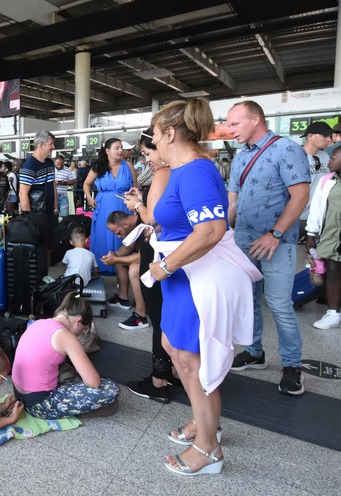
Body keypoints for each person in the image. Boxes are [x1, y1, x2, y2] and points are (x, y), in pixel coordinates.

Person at [148, 99, 261, 476]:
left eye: (154, 135)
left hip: (195, 276)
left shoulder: (195, 170)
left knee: (192, 361)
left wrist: (165, 265)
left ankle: (208, 448)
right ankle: (204, 420)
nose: (152, 143)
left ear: (169, 133)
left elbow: (211, 231)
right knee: (175, 350)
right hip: (183, 277)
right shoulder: (182, 169)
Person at [226, 100, 310, 395]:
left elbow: (300, 196)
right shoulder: (239, 157)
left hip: (277, 244)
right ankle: (254, 352)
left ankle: (292, 366)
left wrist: (275, 233)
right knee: (247, 300)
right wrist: (220, 233)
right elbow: (232, 201)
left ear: (255, 119)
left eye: (235, 123)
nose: (229, 129)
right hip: (243, 242)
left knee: (279, 304)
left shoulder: (285, 149)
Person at [122, 127, 180, 403]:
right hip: (179, 253)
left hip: (158, 254)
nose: (147, 160)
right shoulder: (192, 170)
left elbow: (152, 219)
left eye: (148, 152)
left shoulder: (164, 173)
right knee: (176, 315)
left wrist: (136, 205)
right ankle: (178, 371)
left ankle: (159, 381)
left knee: (158, 316)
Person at [12, 291, 119, 419]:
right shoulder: (66, 336)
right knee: (110, 389)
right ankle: (70, 412)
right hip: (38, 405)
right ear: (78, 321)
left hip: (18, 393)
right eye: (83, 329)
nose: (80, 334)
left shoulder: (39, 322)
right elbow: (94, 382)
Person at [83, 138, 137, 275]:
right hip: (104, 205)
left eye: (121, 148)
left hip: (124, 206)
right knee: (103, 234)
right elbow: (86, 184)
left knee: (124, 234)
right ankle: (102, 266)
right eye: (116, 148)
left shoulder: (128, 165)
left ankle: (123, 266)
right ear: (107, 151)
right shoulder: (98, 167)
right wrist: (89, 197)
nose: (120, 151)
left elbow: (135, 187)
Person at [306, 145, 341, 329]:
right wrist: (311, 234)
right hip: (332, 236)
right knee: (333, 273)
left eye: (334, 156)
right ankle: (333, 314)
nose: (330, 160)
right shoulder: (328, 180)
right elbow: (317, 207)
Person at [102, 211, 149, 329]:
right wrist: (114, 255)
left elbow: (143, 256)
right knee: (119, 259)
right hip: (147, 258)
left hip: (160, 261)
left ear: (125, 224)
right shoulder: (134, 224)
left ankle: (141, 317)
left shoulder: (145, 222)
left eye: (118, 232)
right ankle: (123, 299)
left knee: (133, 269)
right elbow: (129, 247)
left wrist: (116, 260)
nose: (118, 236)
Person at [19, 130, 58, 256]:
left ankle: (45, 275)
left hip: (49, 214)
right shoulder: (29, 166)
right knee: (37, 248)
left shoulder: (50, 163)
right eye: (51, 144)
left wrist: (55, 207)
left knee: (49, 246)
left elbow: (53, 185)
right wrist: (29, 219)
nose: (53, 147)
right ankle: (39, 275)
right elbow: (22, 194)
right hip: (36, 216)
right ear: (41, 145)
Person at [300, 121, 333, 224]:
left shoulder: (325, 156)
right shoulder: (296, 156)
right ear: (310, 136)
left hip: (319, 215)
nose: (329, 140)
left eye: (330, 136)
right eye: (324, 136)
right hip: (299, 216)